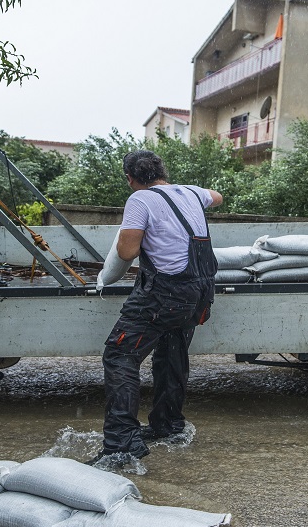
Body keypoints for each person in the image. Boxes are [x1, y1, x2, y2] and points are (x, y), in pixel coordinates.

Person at [89, 150, 222, 468]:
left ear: (130, 177)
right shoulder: (191, 193)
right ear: (162, 172)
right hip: (200, 292)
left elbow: (127, 250)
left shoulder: (140, 200)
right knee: (171, 353)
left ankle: (121, 444)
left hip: (164, 294)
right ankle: (168, 425)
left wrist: (138, 229)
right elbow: (216, 196)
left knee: (120, 355)